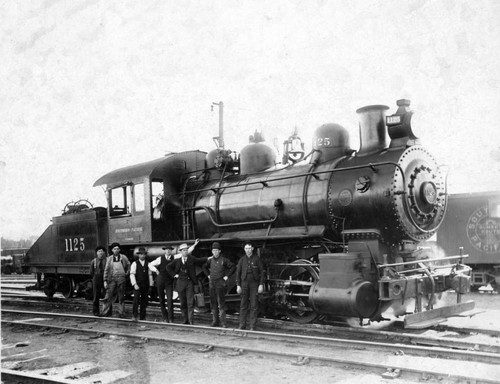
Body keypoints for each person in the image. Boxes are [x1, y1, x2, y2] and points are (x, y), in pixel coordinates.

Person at [149, 244, 193, 322]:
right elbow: (150, 264)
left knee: (170, 300)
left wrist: (195, 245)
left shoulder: (175, 257)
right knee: (161, 300)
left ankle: (170, 318)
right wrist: (155, 270)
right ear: (165, 250)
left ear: (171, 251)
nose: (168, 251)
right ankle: (165, 317)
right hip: (160, 281)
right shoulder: (160, 259)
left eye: (170, 249)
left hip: (169, 282)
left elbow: (186, 251)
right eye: (167, 249)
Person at [166, 239, 206, 325]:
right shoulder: (177, 260)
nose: (185, 251)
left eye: (186, 250)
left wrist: (209, 258)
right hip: (180, 283)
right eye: (183, 250)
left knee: (190, 302)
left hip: (189, 283)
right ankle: (185, 320)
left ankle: (191, 320)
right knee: (183, 303)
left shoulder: (191, 259)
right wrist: (174, 275)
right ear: (180, 251)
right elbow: (168, 267)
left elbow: (200, 260)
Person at [202, 242, 235, 327]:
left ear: (219, 251)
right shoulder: (210, 260)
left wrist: (227, 276)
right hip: (212, 283)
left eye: (216, 250)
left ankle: (223, 322)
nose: (215, 252)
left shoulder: (224, 260)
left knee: (221, 304)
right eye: (213, 250)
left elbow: (232, 266)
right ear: (212, 251)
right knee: (213, 303)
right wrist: (208, 275)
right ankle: (215, 321)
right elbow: (204, 267)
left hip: (220, 283)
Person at [235, 242, 265, 330]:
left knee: (254, 305)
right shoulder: (242, 260)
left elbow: (262, 272)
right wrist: (238, 285)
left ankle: (252, 325)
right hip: (244, 284)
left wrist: (260, 284)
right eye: (246, 248)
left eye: (249, 248)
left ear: (252, 248)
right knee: (243, 304)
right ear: (244, 249)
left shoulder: (257, 259)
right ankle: (242, 324)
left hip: (254, 284)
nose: (248, 250)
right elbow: (238, 273)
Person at [101, 242, 131, 318]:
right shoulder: (109, 259)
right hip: (112, 280)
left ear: (119, 249)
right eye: (114, 249)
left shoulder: (123, 257)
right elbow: (106, 270)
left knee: (121, 297)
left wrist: (126, 273)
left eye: (117, 249)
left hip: (121, 279)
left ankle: (121, 313)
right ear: (112, 250)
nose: (116, 250)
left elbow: (128, 265)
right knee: (108, 296)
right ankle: (105, 312)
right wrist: (105, 280)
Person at [130, 247, 154, 321]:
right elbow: (132, 274)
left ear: (145, 255)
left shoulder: (148, 264)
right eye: (141, 254)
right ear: (138, 255)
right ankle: (134, 316)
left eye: (144, 254)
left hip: (145, 285)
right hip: (137, 284)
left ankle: (142, 317)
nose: (142, 256)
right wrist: (134, 284)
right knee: (136, 300)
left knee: (144, 301)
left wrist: (151, 285)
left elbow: (150, 275)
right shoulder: (135, 263)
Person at [89, 245, 107, 316]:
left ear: (104, 252)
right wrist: (95, 277)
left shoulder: (107, 260)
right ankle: (96, 312)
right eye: (99, 251)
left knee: (106, 296)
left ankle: (106, 312)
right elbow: (91, 271)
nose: (100, 253)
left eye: (102, 251)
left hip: (105, 279)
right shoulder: (93, 261)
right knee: (96, 296)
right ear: (97, 253)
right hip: (96, 279)